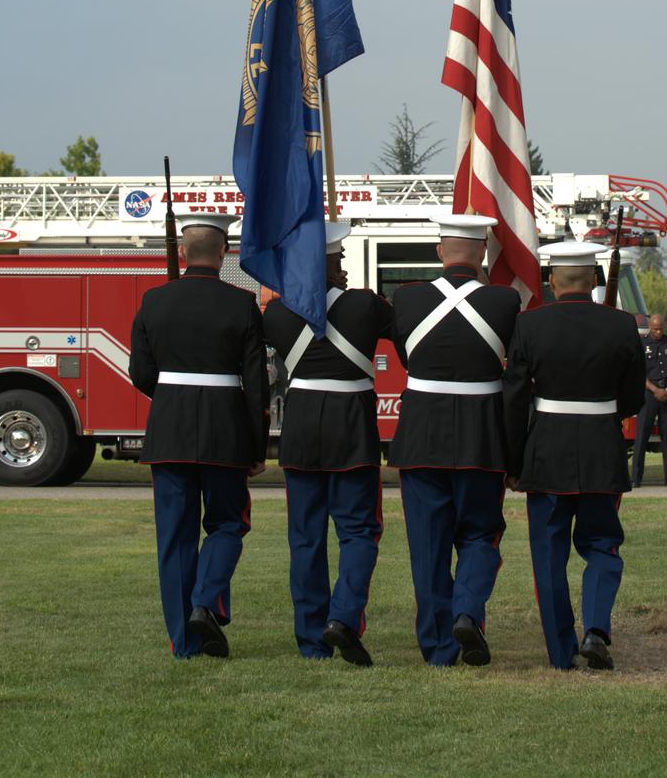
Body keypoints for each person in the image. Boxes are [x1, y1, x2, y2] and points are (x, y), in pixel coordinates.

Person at [129, 214, 269, 659]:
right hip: (225, 432)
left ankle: (185, 642)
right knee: (228, 523)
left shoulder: (153, 301)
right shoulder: (242, 304)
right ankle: (206, 603)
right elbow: (257, 385)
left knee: (175, 537)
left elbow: (140, 373)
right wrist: (258, 443)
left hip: (169, 433)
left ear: (183, 253)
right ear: (225, 253)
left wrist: (173, 397)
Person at [503, 241, 646, 671]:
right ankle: (597, 629)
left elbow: (513, 401)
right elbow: (633, 398)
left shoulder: (529, 326)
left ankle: (561, 653)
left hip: (546, 452)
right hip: (602, 447)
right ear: (596, 280)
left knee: (548, 556)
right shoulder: (622, 326)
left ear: (551, 280)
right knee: (602, 544)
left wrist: (513, 463)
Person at [389, 213, 520, 668]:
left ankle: (439, 648)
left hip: (422, 437)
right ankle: (467, 611)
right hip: (481, 440)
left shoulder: (405, 299)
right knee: (482, 535)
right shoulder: (505, 302)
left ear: (439, 251)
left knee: (427, 547)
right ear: (482, 253)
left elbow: (409, 356)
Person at [262, 222, 391, 666]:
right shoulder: (364, 305)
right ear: (331, 263)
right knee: (358, 531)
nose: (346, 270)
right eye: (341, 261)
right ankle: (343, 617)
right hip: (350, 428)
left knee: (306, 539)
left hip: (300, 431)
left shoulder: (276, 314)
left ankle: (312, 640)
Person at [631, 313, 667, 487]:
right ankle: (635, 478)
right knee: (641, 436)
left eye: (661, 329)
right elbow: (636, 371)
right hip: (649, 393)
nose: (658, 332)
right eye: (655, 329)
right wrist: (655, 390)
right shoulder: (641, 344)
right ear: (650, 327)